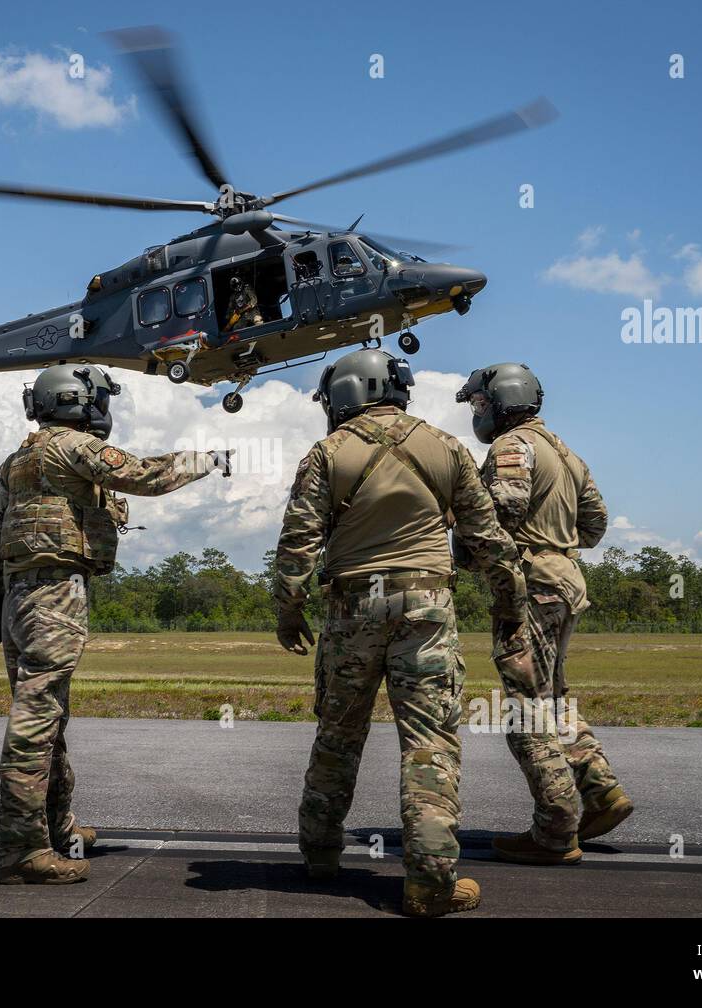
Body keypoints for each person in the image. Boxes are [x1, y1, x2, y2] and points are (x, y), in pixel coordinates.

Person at [272, 348, 526, 917]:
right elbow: (489, 541)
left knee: (338, 734)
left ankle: (318, 855)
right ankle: (431, 883)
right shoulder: (448, 448)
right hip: (427, 606)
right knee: (430, 743)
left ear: (344, 394)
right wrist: (509, 602)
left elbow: (297, 545)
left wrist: (289, 611)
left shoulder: (328, 452)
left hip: (352, 607)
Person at [0, 364, 232, 884]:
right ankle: (21, 850)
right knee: (38, 716)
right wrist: (209, 459)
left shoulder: (18, 459)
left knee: (50, 718)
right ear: (80, 402)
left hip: (21, 596)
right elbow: (144, 475)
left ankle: (54, 826)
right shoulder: (72, 447)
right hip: (54, 593)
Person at [455, 362, 633, 866]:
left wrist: (464, 551)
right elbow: (595, 524)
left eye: (479, 403)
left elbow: (501, 516)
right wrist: (557, 541)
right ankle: (601, 793)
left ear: (500, 402)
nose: (477, 411)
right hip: (565, 580)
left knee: (525, 711)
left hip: (531, 586)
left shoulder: (511, 447)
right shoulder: (565, 452)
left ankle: (556, 830)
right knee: (551, 699)